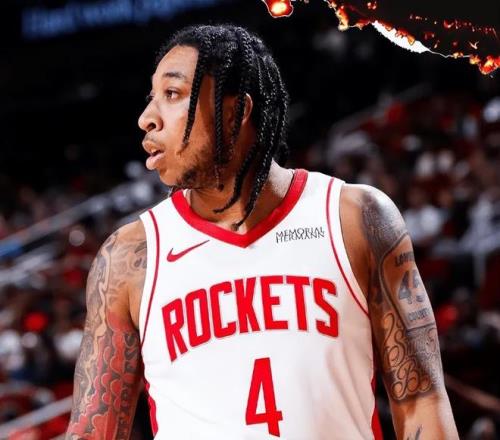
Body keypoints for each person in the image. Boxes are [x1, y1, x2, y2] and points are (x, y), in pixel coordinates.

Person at [65, 24, 458, 439]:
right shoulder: (130, 257)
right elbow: (91, 432)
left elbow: (422, 402)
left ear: (236, 111)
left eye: (173, 94)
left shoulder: (353, 218)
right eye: (152, 98)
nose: (147, 118)